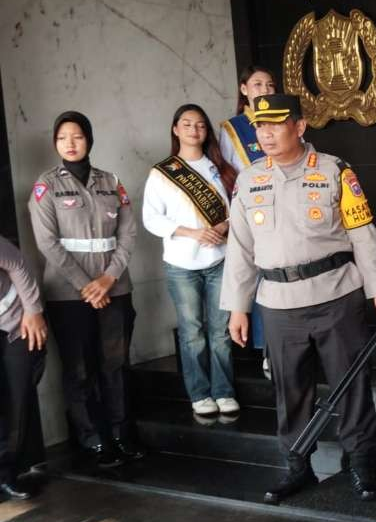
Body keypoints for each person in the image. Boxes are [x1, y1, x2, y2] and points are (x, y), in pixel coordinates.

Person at [220, 94, 376, 505]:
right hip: (277, 303)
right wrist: (238, 306)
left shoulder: (334, 172)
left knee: (351, 384)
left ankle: (362, 463)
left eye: (275, 125)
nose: (266, 134)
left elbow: (362, 235)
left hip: (335, 295)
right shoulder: (250, 179)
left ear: (299, 126)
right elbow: (240, 247)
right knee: (290, 390)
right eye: (260, 126)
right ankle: (298, 467)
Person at [28, 111, 143, 467]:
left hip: (115, 288)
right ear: (55, 144)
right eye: (63, 138)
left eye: (77, 136)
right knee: (79, 369)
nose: (70, 143)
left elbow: (128, 233)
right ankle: (92, 439)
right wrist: (86, 286)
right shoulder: (45, 186)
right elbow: (48, 243)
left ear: (89, 140)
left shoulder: (111, 181)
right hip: (68, 294)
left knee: (115, 363)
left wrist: (108, 278)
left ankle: (122, 433)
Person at [143, 104, 239, 416]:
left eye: (200, 125)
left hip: (219, 260)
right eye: (187, 124)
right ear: (175, 129)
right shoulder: (163, 173)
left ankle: (224, 391)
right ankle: (200, 393)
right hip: (182, 265)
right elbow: (151, 219)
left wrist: (224, 226)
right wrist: (192, 233)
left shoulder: (217, 168)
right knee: (192, 332)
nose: (194, 130)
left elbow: (236, 206)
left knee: (221, 332)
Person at [220, 65, 276, 377]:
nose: (265, 90)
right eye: (257, 84)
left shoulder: (283, 120)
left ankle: (277, 347)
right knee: (256, 280)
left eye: (270, 84)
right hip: (252, 212)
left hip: (282, 209)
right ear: (244, 90)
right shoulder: (232, 129)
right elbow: (229, 175)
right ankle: (266, 349)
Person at [0, 236, 48, 501]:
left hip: (15, 325)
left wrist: (33, 311)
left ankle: (9, 474)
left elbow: (17, 264)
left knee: (17, 401)